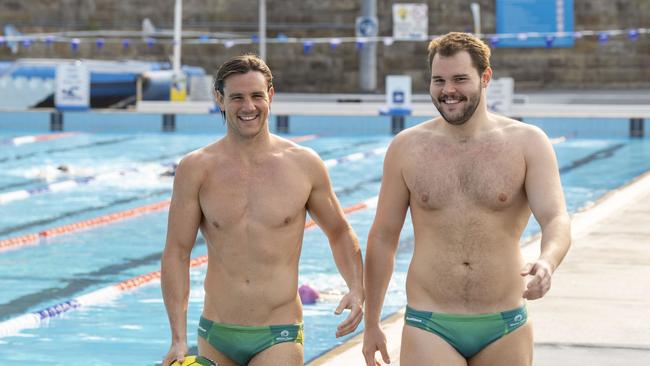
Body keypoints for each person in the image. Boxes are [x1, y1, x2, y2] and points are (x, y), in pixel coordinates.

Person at [362, 32, 571, 366]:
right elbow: (384, 236)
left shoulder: (528, 142)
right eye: (439, 80)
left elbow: (555, 217)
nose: (448, 91)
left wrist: (548, 261)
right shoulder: (406, 148)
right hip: (429, 321)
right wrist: (371, 322)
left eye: (460, 79)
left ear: (485, 77)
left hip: (505, 322)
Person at [161, 54, 364, 366]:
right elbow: (177, 252)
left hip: (278, 332)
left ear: (270, 95)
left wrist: (355, 287)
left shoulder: (303, 164)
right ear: (220, 99)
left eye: (256, 96)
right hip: (215, 332)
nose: (248, 107)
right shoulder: (196, 169)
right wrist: (178, 338)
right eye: (237, 97)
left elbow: (339, 232)